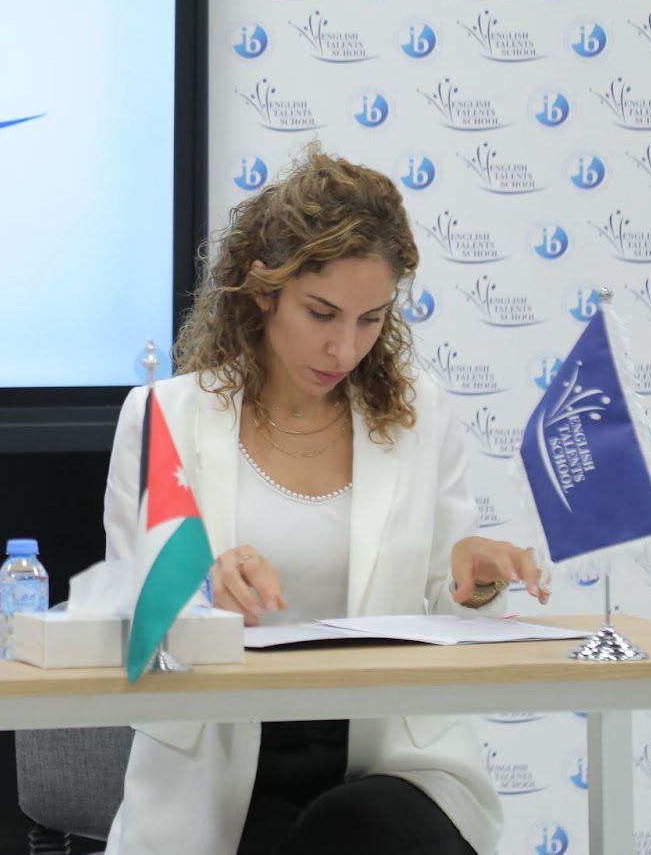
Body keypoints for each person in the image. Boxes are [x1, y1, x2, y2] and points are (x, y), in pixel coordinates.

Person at [102, 147, 548, 855]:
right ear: (264, 290)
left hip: (392, 765)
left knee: (360, 828)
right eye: (322, 313)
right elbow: (132, 620)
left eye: (371, 320)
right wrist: (202, 584)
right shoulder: (166, 418)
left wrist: (478, 579)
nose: (344, 348)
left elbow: (447, 604)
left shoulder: (419, 415)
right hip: (222, 767)